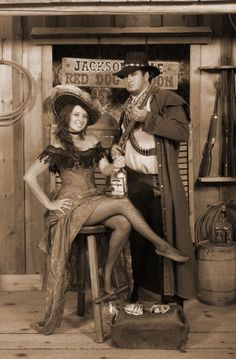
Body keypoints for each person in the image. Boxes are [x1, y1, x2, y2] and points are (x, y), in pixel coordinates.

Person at [23, 84, 188, 335]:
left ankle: (106, 274)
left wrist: (117, 164)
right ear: (66, 116)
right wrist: (50, 203)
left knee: (123, 223)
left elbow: (106, 171)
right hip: (71, 206)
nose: (81, 119)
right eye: (76, 115)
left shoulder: (93, 141)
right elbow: (29, 176)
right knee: (122, 204)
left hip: (93, 199)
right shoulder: (57, 146)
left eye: (84, 116)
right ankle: (161, 244)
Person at [111, 52, 197, 306]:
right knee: (136, 243)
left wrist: (146, 118)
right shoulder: (127, 108)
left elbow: (182, 132)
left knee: (164, 237)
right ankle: (137, 293)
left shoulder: (167, 99)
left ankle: (170, 299)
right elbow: (128, 143)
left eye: (133, 75)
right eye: (125, 76)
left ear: (147, 75)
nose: (128, 80)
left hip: (160, 184)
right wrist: (116, 150)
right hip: (133, 184)